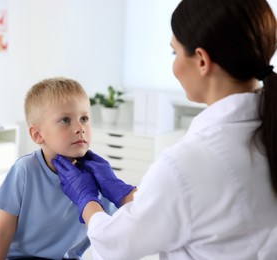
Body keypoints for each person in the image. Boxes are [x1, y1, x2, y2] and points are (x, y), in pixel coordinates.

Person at [52, 0, 277, 259]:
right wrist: (126, 194)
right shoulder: (264, 132)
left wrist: (86, 201)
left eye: (175, 53)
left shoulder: (190, 162)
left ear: (202, 60)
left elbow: (117, 244)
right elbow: (195, 210)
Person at [0, 77, 115, 260]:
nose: (80, 128)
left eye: (84, 118)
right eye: (65, 120)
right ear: (38, 134)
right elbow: (3, 231)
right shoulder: (25, 170)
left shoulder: (99, 175)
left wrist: (116, 189)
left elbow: (112, 231)